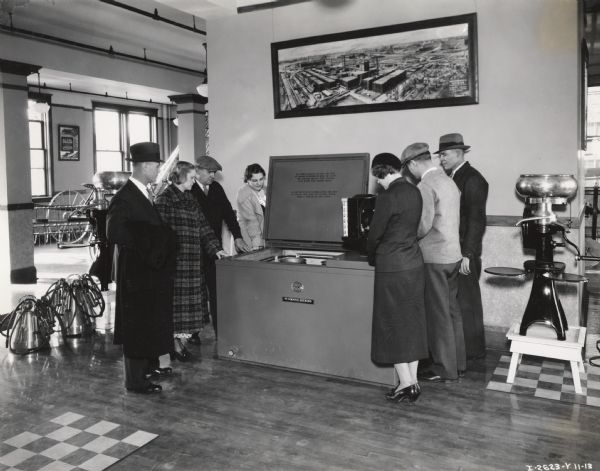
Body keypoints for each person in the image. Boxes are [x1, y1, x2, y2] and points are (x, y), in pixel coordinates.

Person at [107, 142, 177, 394]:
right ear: (145, 166)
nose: (158, 169)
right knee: (137, 326)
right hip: (136, 274)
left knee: (148, 321)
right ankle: (135, 381)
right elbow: (114, 232)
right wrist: (150, 245)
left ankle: (148, 367)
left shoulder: (142, 193)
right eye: (156, 165)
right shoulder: (125, 196)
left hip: (148, 273)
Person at [401, 142, 466, 383]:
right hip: (453, 256)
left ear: (413, 163)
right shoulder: (449, 180)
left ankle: (443, 369)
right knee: (452, 311)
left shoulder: (425, 185)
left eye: (408, 169)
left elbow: (423, 224)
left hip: (434, 258)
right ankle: (458, 364)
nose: (410, 174)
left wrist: (405, 236)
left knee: (438, 315)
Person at [367, 152, 427, 403]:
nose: (378, 182)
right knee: (410, 324)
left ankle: (406, 382)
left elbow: (374, 235)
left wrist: (371, 254)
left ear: (382, 172)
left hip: (392, 267)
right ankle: (411, 382)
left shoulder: (387, 196)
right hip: (413, 264)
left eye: (377, 177)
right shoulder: (414, 191)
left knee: (391, 325)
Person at [154, 161, 227, 360]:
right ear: (180, 176)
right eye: (192, 178)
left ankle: (179, 344)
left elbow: (204, 227)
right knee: (177, 312)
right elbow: (159, 235)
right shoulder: (164, 200)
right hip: (176, 265)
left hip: (194, 264)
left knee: (190, 313)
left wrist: (217, 250)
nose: (194, 182)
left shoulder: (190, 198)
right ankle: (174, 347)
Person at [436, 133, 488, 360]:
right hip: (455, 251)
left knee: (468, 303)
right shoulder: (456, 177)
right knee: (459, 302)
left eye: (445, 154)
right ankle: (462, 352)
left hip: (464, 252)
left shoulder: (473, 178)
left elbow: (477, 220)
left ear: (458, 153)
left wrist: (468, 254)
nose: (441, 159)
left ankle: (473, 353)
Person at [191, 155, 251, 339]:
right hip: (193, 250)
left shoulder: (216, 188)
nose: (212, 176)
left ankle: (220, 332)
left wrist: (238, 236)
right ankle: (192, 331)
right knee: (194, 293)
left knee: (216, 290)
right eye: (209, 172)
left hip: (214, 249)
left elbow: (228, 213)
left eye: (214, 172)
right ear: (198, 170)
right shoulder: (188, 189)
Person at [236, 163, 267, 250]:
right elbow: (251, 221)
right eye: (254, 180)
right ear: (248, 180)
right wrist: (257, 244)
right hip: (250, 238)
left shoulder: (265, 190)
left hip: (263, 236)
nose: (259, 183)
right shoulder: (243, 193)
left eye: (261, 179)